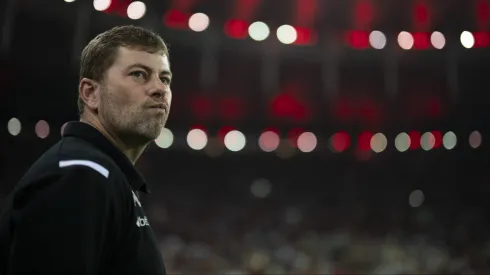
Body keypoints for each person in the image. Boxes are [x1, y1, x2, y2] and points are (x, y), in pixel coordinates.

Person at [0, 25, 172, 275]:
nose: (159, 88)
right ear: (91, 93)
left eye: (164, 78)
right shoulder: (81, 174)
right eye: (139, 74)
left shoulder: (100, 174)